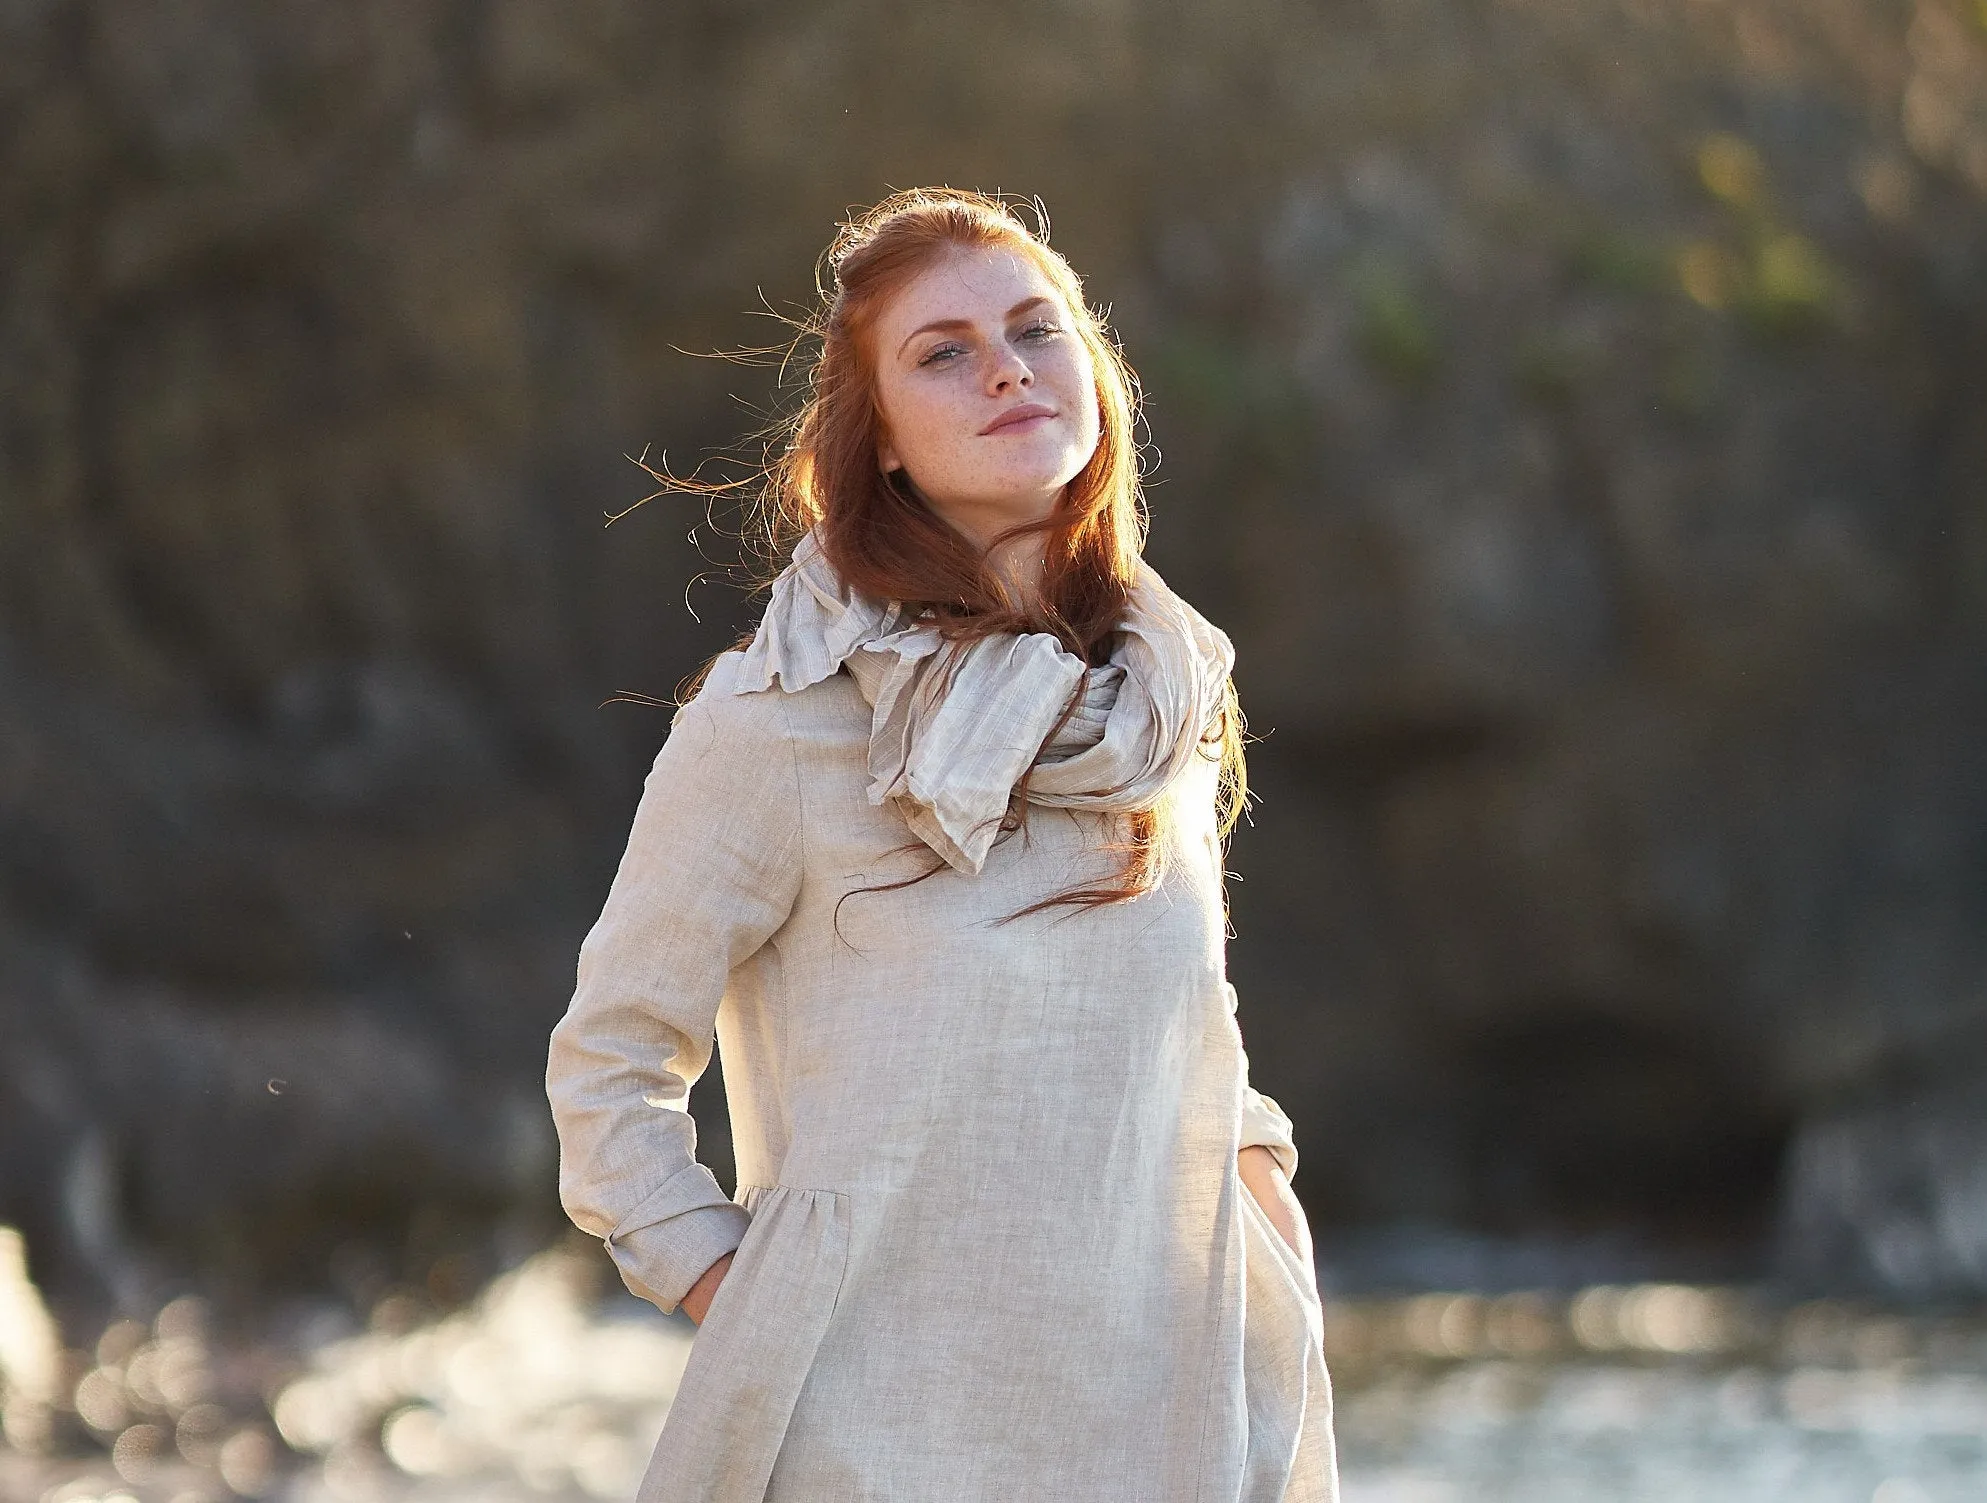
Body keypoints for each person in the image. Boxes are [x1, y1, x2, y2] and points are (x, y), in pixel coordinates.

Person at [545, 187, 1338, 1503]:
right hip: (882, 1450)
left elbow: (1177, 1019)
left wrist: (1253, 1173)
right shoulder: (778, 715)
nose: (1006, 368)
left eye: (1036, 329)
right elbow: (610, 1063)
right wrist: (750, 1301)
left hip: (1173, 1424)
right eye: (942, 352)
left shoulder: (1160, 697)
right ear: (887, 442)